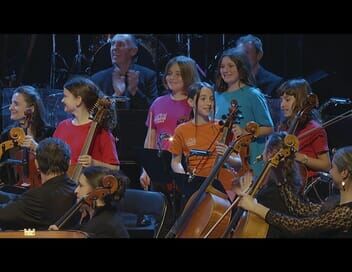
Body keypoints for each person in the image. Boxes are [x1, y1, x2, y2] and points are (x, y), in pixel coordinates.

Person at [237, 145, 352, 238]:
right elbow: (301, 208)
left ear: (344, 173)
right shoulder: (337, 203)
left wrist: (255, 207)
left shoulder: (346, 213)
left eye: (333, 167)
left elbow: (299, 227)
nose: (330, 172)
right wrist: (279, 175)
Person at [169, 81, 242, 202]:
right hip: (196, 186)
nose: (208, 103)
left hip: (224, 186)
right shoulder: (181, 130)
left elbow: (238, 163)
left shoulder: (223, 128)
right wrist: (183, 176)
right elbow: (175, 161)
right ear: (191, 102)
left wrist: (227, 157)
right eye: (203, 99)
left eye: (211, 99)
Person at [139, 55, 201, 190]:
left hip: (185, 166)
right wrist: (146, 169)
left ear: (188, 76)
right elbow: (150, 138)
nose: (172, 77)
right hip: (159, 167)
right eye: (169, 73)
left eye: (178, 74)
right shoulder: (158, 103)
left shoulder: (195, 104)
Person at [214, 47, 274, 178]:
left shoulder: (253, 94)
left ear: (241, 69)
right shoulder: (217, 95)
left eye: (230, 66)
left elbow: (269, 128)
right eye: (222, 66)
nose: (225, 70)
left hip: (250, 158)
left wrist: (245, 132)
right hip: (225, 160)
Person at [0, 137, 77, 230]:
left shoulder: (38, 197)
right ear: (69, 162)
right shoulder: (75, 187)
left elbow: (4, 215)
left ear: (36, 163)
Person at [53, 76, 119, 173]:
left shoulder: (100, 131)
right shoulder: (62, 126)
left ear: (78, 100)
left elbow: (115, 168)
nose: (62, 100)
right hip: (62, 184)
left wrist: (94, 163)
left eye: (66, 96)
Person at [278, 79, 331, 192]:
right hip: (287, 185)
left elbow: (326, 165)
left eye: (287, 100)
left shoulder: (314, 129)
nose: (282, 105)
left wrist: (300, 157)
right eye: (281, 100)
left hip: (307, 187)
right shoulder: (284, 127)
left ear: (301, 101)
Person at [50, 166, 130, 238]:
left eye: (81, 186)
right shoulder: (91, 216)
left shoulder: (104, 226)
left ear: (95, 190)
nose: (76, 191)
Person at [0, 85, 54, 187]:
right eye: (11, 103)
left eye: (15, 104)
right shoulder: (7, 135)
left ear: (31, 109)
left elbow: (56, 165)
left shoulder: (49, 133)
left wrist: (37, 148)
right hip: (12, 190)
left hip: (42, 189)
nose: (10, 107)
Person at [91, 34, 158, 110]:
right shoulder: (97, 79)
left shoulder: (149, 75)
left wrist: (135, 92)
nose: (114, 48)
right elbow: (93, 113)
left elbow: (154, 111)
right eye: (113, 44)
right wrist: (116, 95)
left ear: (133, 51)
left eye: (121, 45)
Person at [236, 34, 284, 127]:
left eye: (246, 53)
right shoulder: (232, 82)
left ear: (259, 55)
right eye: (239, 54)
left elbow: (277, 118)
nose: (242, 58)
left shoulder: (275, 83)